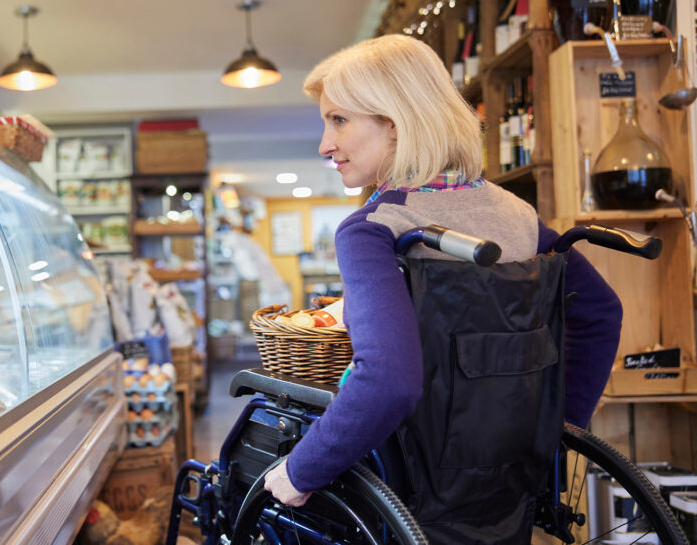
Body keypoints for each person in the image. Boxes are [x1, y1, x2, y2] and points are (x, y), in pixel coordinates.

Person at [262, 35, 622, 518]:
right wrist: (559, 432)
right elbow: (599, 313)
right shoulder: (516, 214)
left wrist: (300, 471)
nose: (326, 144)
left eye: (338, 120)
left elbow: (389, 382)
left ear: (393, 124)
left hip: (411, 475)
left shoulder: (374, 228)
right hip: (513, 464)